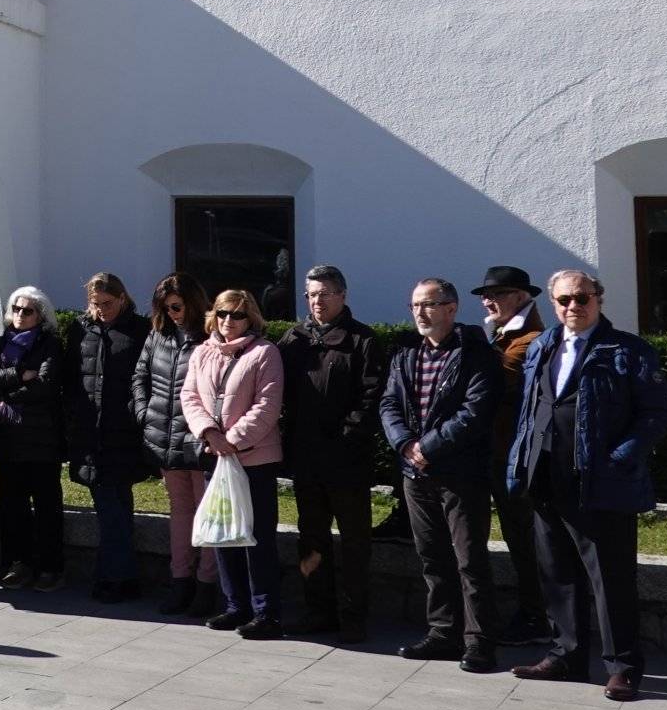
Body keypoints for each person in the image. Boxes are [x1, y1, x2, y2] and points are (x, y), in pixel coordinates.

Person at [507, 269, 667, 700]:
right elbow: (532, 408)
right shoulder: (543, 345)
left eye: (581, 298)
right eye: (563, 300)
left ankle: (622, 666)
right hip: (546, 476)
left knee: (610, 577)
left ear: (599, 299)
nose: (572, 307)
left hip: (603, 483)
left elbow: (657, 414)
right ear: (552, 303)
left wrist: (619, 458)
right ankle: (566, 654)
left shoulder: (627, 350)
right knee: (557, 572)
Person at [381, 279, 504, 672]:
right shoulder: (406, 353)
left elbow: (475, 412)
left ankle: (479, 642)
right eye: (414, 304)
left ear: (451, 309)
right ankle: (442, 633)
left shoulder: (475, 354)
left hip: (460, 473)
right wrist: (404, 444)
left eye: (429, 304)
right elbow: (388, 403)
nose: (419, 312)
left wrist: (426, 448)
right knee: (432, 556)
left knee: (469, 559)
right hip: (415, 473)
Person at [280, 265, 385, 642]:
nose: (316, 302)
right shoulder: (294, 339)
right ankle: (317, 612)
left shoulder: (363, 341)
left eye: (323, 294)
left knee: (355, 543)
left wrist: (342, 440)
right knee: (311, 539)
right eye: (310, 295)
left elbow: (370, 399)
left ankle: (354, 617)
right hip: (306, 460)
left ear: (342, 295)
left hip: (347, 463)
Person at [181, 288, 286, 637]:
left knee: (256, 536)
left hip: (254, 459)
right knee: (225, 532)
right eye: (223, 313)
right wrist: (210, 434)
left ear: (251, 318)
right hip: (215, 455)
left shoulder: (264, 353)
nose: (229, 321)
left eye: (237, 315)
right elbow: (190, 396)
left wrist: (232, 441)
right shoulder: (202, 352)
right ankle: (235, 605)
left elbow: (267, 406)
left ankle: (265, 611)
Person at [475, 265, 554, 644]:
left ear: (522, 297)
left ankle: (538, 615)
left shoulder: (530, 339)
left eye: (500, 294)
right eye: (487, 295)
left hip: (513, 455)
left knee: (524, 537)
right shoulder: (502, 333)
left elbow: (495, 378)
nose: (490, 301)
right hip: (495, 451)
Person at [134, 273, 215, 614]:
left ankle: (207, 586)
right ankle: (180, 580)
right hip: (164, 437)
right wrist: (142, 412)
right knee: (181, 514)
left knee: (207, 515)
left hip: (197, 439)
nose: (172, 314)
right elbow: (141, 374)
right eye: (166, 309)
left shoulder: (210, 336)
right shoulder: (159, 334)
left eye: (177, 307)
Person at [69, 272, 151, 601]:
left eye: (107, 303)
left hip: (123, 431)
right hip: (91, 432)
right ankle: (120, 576)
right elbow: (74, 378)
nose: (101, 310)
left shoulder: (138, 330)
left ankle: (114, 577)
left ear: (122, 298)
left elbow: (143, 378)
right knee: (111, 507)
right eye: (95, 304)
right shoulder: (81, 329)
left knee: (114, 506)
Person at [0, 286, 66, 591]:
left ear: (40, 315)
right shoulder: (2, 342)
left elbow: (45, 384)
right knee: (12, 506)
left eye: (27, 310)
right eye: (15, 309)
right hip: (10, 436)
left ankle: (50, 567)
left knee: (46, 506)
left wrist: (11, 387)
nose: (19, 315)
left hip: (42, 438)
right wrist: (19, 374)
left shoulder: (50, 344)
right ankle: (17, 564)